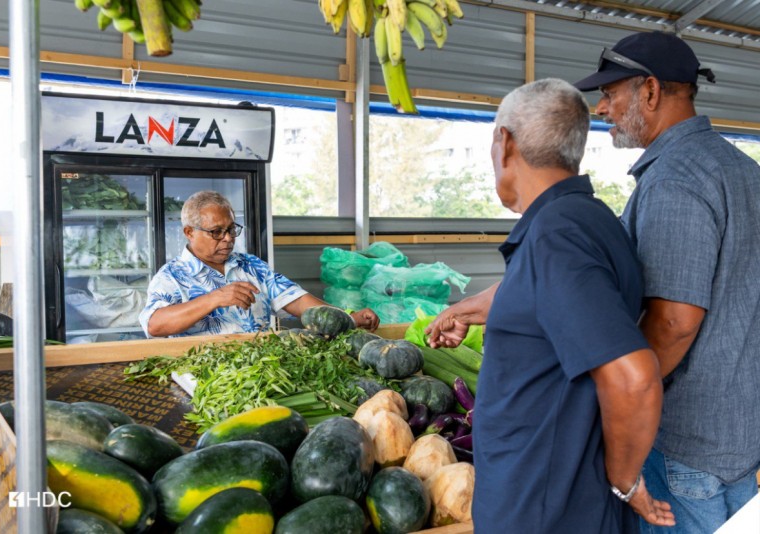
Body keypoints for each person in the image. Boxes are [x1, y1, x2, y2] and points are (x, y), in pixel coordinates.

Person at [425, 79, 674, 532]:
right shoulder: (587, 218)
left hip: (544, 508)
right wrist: (475, 307)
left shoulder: (558, 237)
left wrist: (625, 480)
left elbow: (633, 378)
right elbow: (560, 300)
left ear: (505, 143)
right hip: (552, 498)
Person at [574, 31, 760, 533]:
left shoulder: (677, 178)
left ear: (651, 91)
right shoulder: (744, 170)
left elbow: (674, 323)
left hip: (683, 448)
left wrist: (624, 405)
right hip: (739, 440)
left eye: (611, 93)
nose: (603, 108)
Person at [139, 190, 379, 337]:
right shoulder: (171, 277)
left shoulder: (251, 266)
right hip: (204, 381)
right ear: (189, 232)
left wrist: (347, 317)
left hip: (261, 374)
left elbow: (297, 300)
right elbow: (155, 325)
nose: (228, 238)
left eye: (232, 229)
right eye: (216, 232)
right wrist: (214, 298)